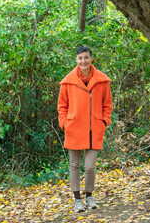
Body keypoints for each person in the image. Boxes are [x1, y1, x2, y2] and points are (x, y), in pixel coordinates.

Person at [57, 46, 112, 213]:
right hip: (73, 128)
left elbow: (107, 105)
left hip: (94, 129)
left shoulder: (102, 80)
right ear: (76, 60)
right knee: (74, 165)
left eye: (86, 58)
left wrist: (104, 122)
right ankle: (77, 200)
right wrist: (65, 124)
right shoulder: (68, 81)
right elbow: (62, 106)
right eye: (80, 58)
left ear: (91, 59)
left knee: (89, 166)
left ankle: (89, 196)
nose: (83, 61)